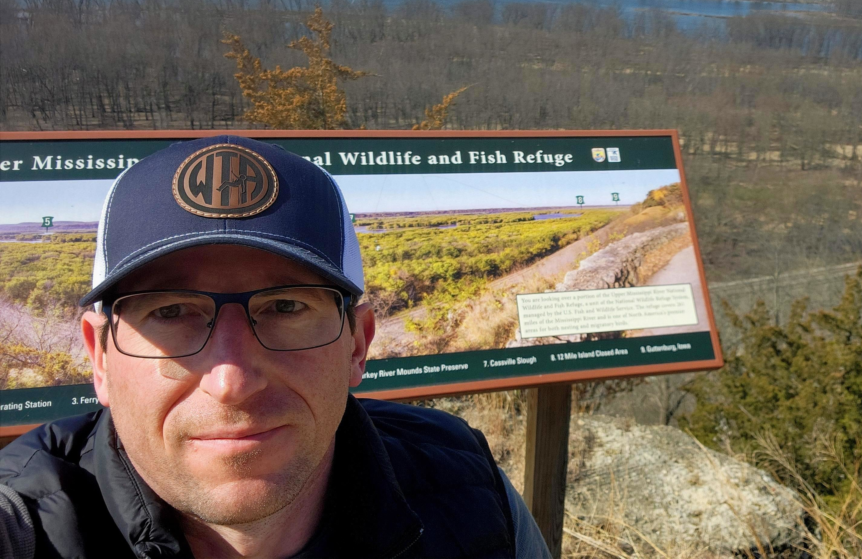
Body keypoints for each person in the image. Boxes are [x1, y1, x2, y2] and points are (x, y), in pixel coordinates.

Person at [0, 135, 552, 558]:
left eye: (286, 307)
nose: (231, 379)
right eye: (170, 312)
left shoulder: (467, 486)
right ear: (99, 357)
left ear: (357, 345)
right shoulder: (23, 528)